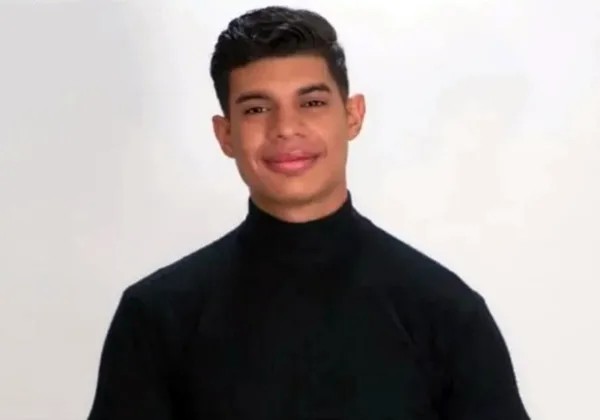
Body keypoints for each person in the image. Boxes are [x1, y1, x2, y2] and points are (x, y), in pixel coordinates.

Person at [87, 6, 530, 419]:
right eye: (257, 109)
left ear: (352, 115)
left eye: (312, 102)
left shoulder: (445, 313)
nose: (285, 128)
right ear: (225, 134)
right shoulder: (158, 318)